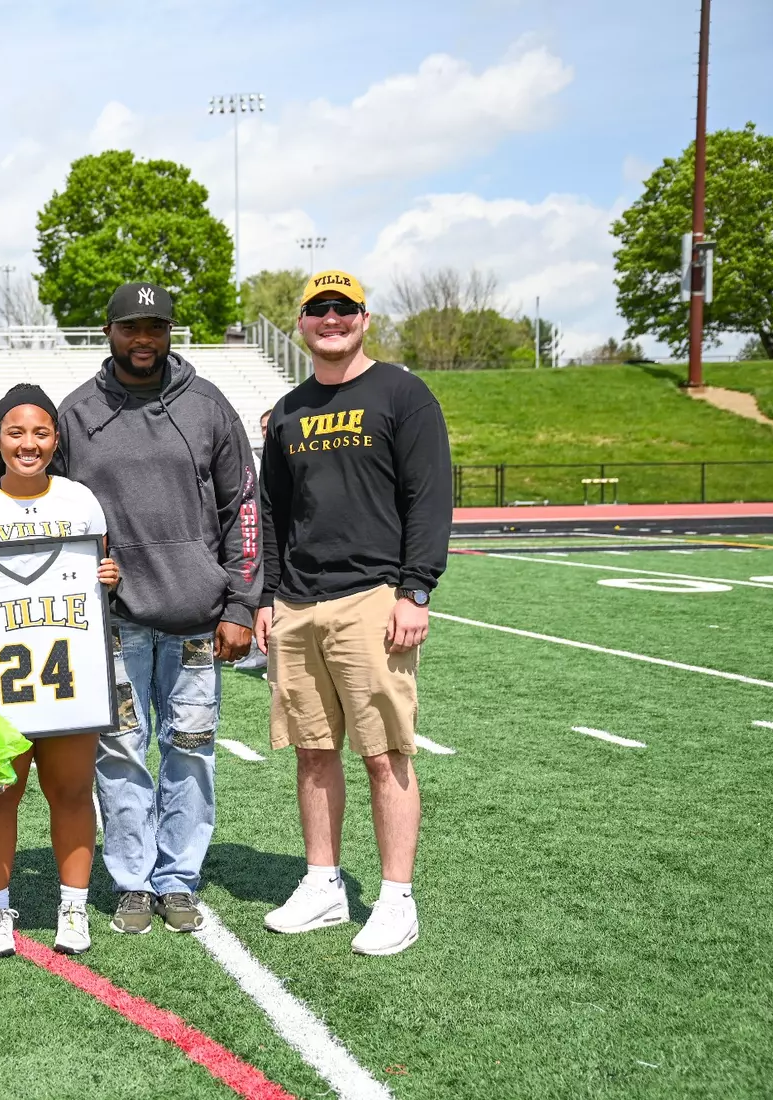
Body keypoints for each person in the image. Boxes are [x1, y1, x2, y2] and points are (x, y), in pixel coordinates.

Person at [255, 270, 451, 957]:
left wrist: (415, 590)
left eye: (343, 309)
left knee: (384, 752)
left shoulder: (403, 394)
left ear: (364, 318)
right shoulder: (286, 410)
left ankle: (397, 898)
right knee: (312, 750)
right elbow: (275, 513)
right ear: (302, 324)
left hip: (373, 596)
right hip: (299, 603)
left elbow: (428, 498)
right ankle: (323, 884)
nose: (330, 319)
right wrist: (267, 597)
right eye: (318, 310)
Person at [56, 282, 260, 936]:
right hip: (110, 622)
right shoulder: (77, 414)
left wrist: (241, 604)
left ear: (171, 331)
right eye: (130, 328)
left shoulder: (207, 407)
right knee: (119, 752)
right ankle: (133, 881)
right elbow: (46, 509)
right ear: (108, 331)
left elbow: (245, 511)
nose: (143, 340)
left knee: (192, 750)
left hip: (197, 619)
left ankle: (178, 878)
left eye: (156, 327)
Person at [0, 384, 120, 959]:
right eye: (16, 432)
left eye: (40, 432)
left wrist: (107, 577)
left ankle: (73, 907)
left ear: (55, 439)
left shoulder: (80, 500)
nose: (28, 444)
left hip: (69, 681)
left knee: (72, 792)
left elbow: (95, 579)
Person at [234, 410, 276, 673]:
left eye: (268, 426)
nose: (264, 432)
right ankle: (258, 648)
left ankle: (267, 652)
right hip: (255, 532)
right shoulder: (258, 457)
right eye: (261, 427)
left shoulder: (273, 460)